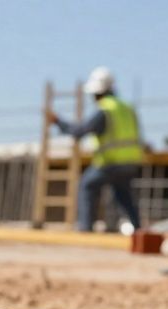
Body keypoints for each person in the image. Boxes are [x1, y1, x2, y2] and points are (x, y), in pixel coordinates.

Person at [46, 67, 144, 233]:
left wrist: (58, 122)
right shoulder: (127, 107)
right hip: (131, 161)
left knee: (87, 186)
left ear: (97, 92)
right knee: (123, 194)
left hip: (110, 161)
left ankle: (86, 228)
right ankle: (138, 230)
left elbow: (80, 131)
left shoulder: (105, 110)